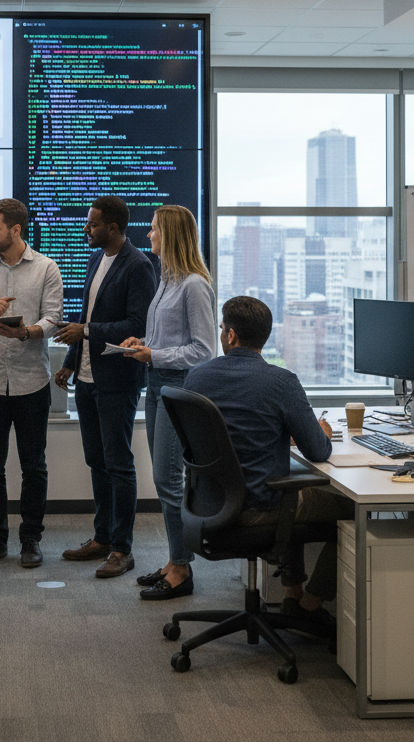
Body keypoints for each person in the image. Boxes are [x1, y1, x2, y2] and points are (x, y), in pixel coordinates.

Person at [184, 296, 352, 626]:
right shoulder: (280, 381)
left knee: (289, 488)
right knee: (353, 511)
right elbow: (318, 452)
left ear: (231, 335)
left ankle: (291, 595)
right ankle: (309, 604)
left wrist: (274, 433)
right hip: (257, 508)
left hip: (207, 503)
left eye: (222, 328)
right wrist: (322, 432)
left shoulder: (196, 378)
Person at [54, 196, 157, 579]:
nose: (87, 229)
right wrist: (70, 361)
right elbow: (86, 316)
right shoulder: (96, 259)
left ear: (113, 228)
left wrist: (87, 332)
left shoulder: (139, 265)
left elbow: (137, 324)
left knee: (118, 464)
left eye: (93, 224)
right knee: (96, 461)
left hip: (117, 380)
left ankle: (121, 549)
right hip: (86, 379)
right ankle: (102, 537)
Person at [0, 198, 63, 569]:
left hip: (31, 380)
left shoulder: (46, 268)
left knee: (34, 466)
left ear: (15, 230)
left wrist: (27, 332)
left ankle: (31, 539)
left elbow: (53, 317)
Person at [119, 205, 215, 600]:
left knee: (167, 479)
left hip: (179, 389)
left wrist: (154, 354)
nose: (149, 235)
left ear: (171, 234)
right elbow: (170, 339)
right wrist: (143, 344)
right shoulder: (166, 280)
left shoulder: (194, 285)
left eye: (155, 229)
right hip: (156, 383)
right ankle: (175, 560)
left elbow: (204, 351)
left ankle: (181, 569)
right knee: (164, 479)